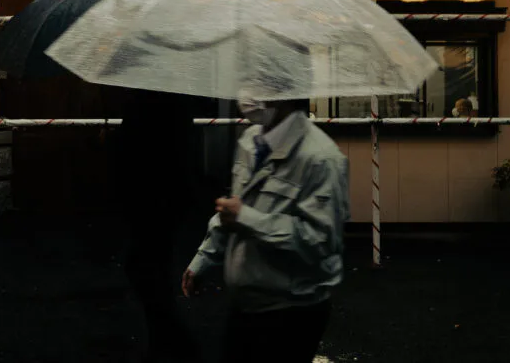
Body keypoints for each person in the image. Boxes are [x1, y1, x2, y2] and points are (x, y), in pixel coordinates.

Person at [183, 96, 349, 363]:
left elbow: (320, 241)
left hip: (291, 313)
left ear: (285, 92)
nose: (244, 94)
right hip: (246, 304)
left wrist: (247, 219)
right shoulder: (251, 140)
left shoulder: (322, 158)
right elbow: (234, 208)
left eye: (258, 80)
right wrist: (205, 256)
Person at [120, 89, 200, 362]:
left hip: (155, 196)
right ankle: (164, 345)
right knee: (153, 269)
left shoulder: (154, 98)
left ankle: (178, 345)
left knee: (145, 269)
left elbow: (143, 145)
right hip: (162, 196)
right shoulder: (169, 95)